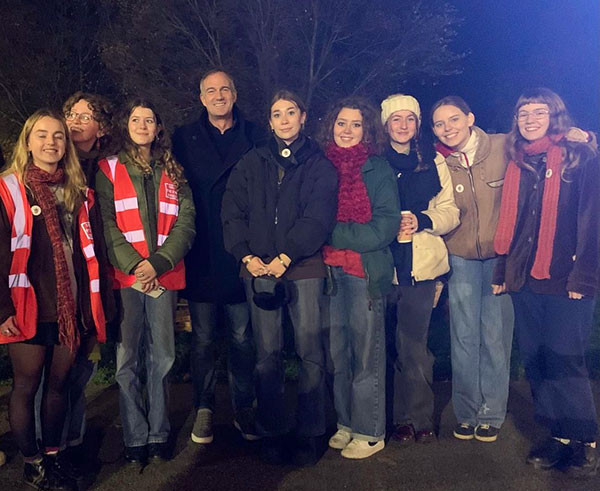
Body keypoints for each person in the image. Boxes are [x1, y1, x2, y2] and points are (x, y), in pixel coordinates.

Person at [222, 90, 337, 465]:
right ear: (269, 121)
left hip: (301, 266)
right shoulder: (251, 162)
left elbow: (318, 216)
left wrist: (288, 254)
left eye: (291, 112)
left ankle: (311, 431)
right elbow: (232, 211)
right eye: (276, 114)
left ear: (303, 116)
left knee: (309, 352)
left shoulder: (318, 165)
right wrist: (246, 255)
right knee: (266, 355)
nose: (284, 119)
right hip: (258, 267)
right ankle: (271, 428)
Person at [492, 88, 599, 478]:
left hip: (565, 277)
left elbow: (592, 219)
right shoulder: (519, 162)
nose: (531, 118)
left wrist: (584, 275)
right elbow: (515, 226)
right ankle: (557, 434)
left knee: (565, 358)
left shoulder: (579, 155)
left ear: (556, 116)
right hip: (526, 278)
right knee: (536, 358)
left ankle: (584, 438)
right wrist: (503, 272)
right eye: (524, 112)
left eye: (540, 112)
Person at [0, 109, 107, 489]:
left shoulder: (79, 191)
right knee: (26, 386)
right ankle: (31, 463)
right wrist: (2, 310)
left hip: (69, 308)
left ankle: (53, 456)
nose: (51, 142)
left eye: (58, 136)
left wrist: (92, 310)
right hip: (27, 305)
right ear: (28, 142)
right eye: (42, 135)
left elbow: (89, 256)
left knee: (59, 386)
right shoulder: (9, 187)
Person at [95, 99, 195, 465]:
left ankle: (159, 432)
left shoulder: (175, 170)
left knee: (164, 357)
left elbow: (187, 222)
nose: (142, 125)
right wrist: (137, 267)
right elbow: (105, 224)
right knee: (127, 360)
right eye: (136, 119)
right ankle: (135, 436)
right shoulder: (108, 169)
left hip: (165, 275)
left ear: (158, 128)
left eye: (149, 119)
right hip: (127, 278)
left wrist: (158, 263)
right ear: (127, 125)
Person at [172, 69, 265, 444]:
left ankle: (244, 407)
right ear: (201, 97)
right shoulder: (184, 137)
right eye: (210, 90)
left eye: (225, 88)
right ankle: (204, 408)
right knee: (204, 339)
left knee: (243, 338)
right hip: (202, 251)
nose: (218, 95)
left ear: (235, 93)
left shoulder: (257, 135)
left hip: (243, 251)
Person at [32, 93, 116, 477]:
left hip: (93, 287)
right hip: (50, 296)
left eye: (88, 115)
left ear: (103, 127)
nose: (77, 120)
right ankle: (45, 450)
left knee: (77, 373)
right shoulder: (48, 166)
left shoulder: (107, 169)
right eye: (72, 114)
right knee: (48, 378)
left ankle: (72, 443)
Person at [431, 96, 515, 443]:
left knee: (494, 336)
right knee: (463, 336)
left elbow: (545, 143)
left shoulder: (501, 146)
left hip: (499, 257)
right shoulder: (438, 161)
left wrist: (580, 136)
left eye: (453, 120)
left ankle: (491, 412)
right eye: (439, 123)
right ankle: (466, 411)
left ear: (470, 118)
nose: (447, 128)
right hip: (460, 256)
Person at [320, 97, 400, 459]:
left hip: (363, 270)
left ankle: (370, 430)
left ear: (367, 130)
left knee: (367, 351)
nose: (347, 130)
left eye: (355, 124)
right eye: (341, 123)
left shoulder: (377, 168)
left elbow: (383, 228)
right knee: (338, 353)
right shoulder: (321, 165)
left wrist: (331, 232)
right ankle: (346, 422)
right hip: (328, 270)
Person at [380, 94, 459, 445]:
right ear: (385, 125)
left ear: (417, 125)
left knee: (414, 345)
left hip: (420, 267)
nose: (402, 125)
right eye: (395, 119)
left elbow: (450, 210)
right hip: (381, 265)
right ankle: (392, 417)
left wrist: (423, 219)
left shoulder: (433, 162)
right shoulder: (374, 163)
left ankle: (418, 417)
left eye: (409, 119)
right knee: (385, 347)